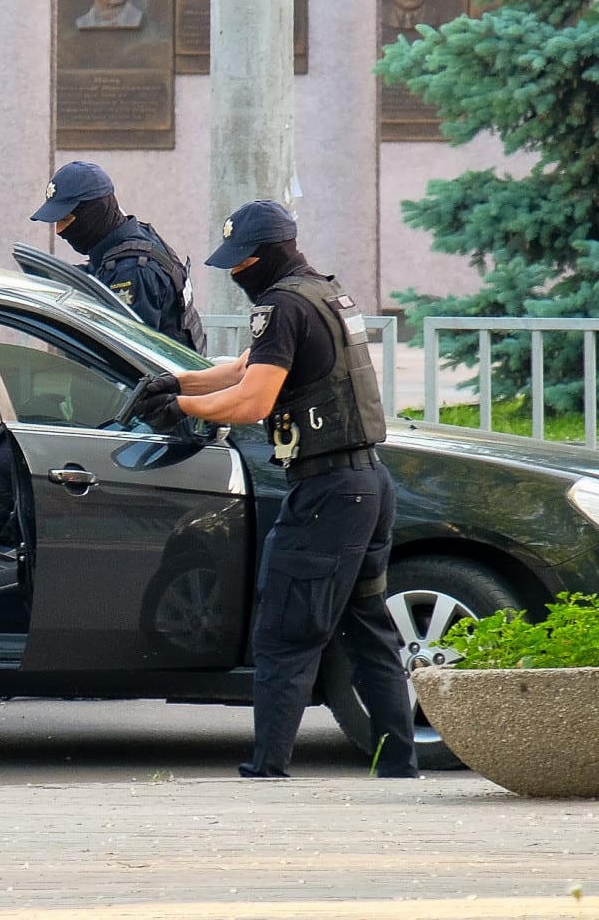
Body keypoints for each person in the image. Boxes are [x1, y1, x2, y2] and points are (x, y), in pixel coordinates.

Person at [131, 198, 416, 780]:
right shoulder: (322, 294)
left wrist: (181, 407)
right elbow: (244, 368)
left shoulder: (280, 305)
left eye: (241, 261)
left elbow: (253, 400)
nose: (236, 271)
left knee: (286, 631)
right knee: (367, 628)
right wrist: (175, 378)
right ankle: (399, 766)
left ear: (267, 254)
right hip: (367, 485)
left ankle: (268, 769)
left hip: (328, 491)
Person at [31, 161, 206, 353]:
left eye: (65, 219)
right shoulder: (137, 240)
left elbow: (129, 359)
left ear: (95, 212)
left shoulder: (133, 270)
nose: (59, 231)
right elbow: (96, 276)